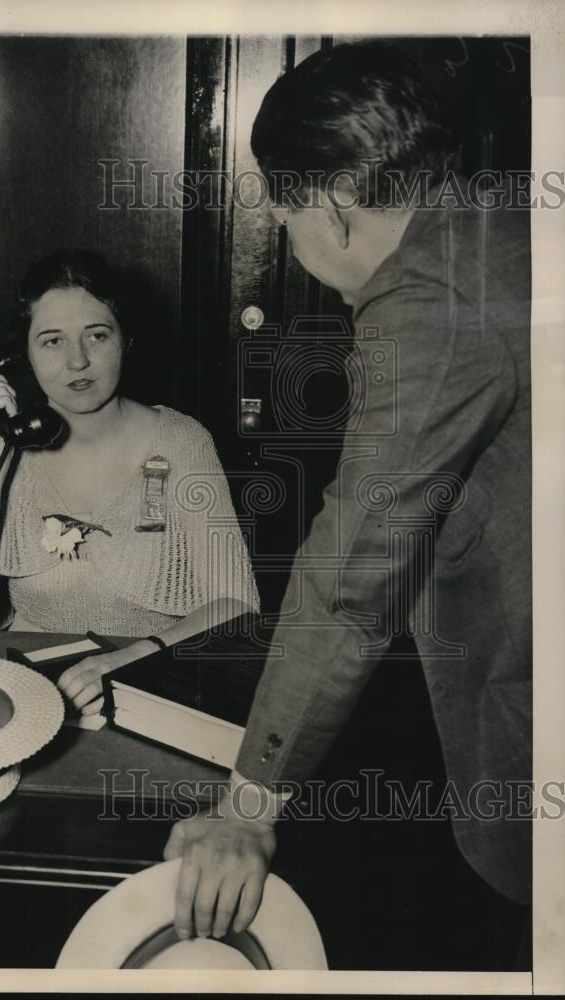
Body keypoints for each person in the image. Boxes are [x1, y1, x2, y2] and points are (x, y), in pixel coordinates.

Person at [164, 40, 532, 952]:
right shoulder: (507, 218)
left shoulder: (428, 301)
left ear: (327, 210)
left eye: (282, 214)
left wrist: (246, 808)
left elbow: (350, 579)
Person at [0, 249, 259, 714]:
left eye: (97, 335)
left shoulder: (182, 441)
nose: (78, 361)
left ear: (126, 341)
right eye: (51, 341)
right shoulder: (0, 447)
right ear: (22, 356)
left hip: (146, 684)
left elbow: (236, 603)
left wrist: (127, 660)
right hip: (29, 690)